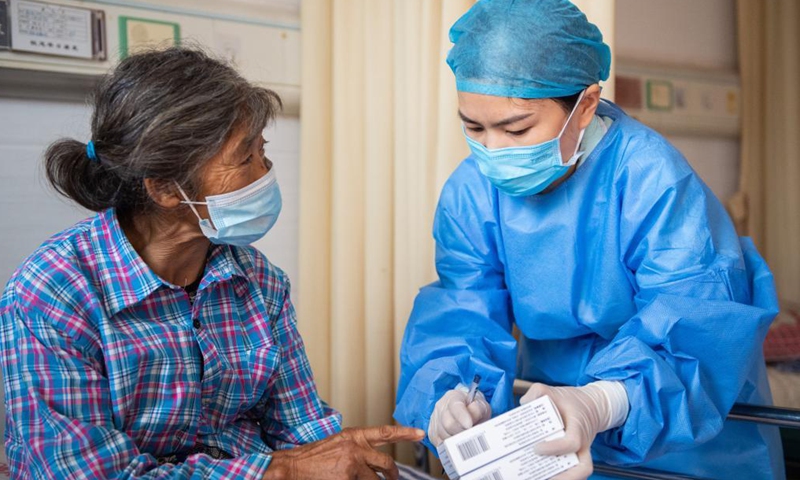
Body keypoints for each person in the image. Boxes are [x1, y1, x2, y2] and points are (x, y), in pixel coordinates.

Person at [393, 1, 784, 479]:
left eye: (516, 128)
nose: (491, 150)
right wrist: (453, 392)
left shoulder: (651, 180)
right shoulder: (472, 192)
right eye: (474, 127)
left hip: (686, 439)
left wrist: (600, 401)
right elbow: (462, 306)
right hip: (550, 425)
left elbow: (696, 325)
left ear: (586, 106)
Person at [0, 47, 424, 479]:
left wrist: (340, 454)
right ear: (166, 189)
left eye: (264, 149)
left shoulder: (258, 281)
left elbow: (300, 427)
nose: (267, 171)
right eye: (246, 158)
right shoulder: (52, 295)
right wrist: (279, 472)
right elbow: (92, 476)